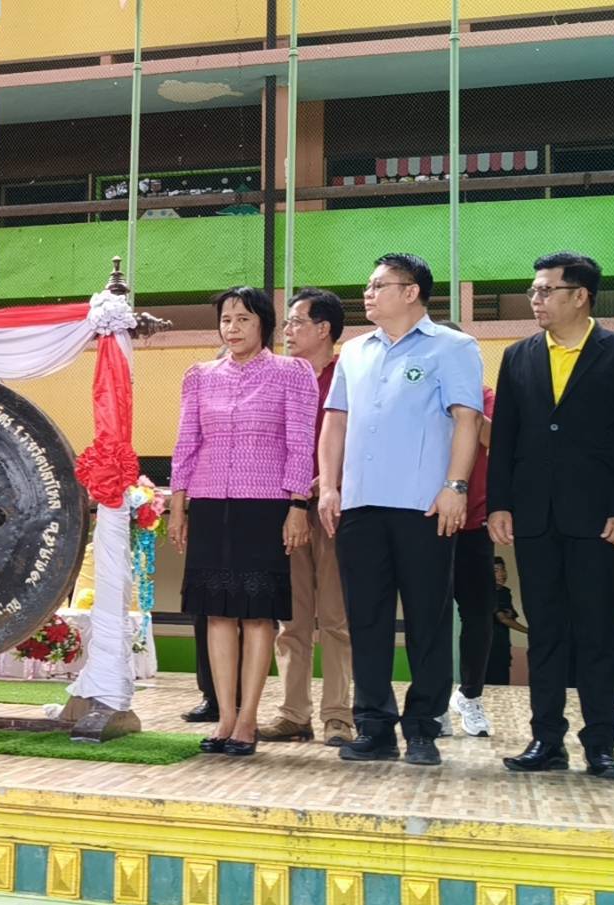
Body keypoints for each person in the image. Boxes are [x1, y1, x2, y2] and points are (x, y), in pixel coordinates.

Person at [488, 252, 614, 781]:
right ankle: (546, 740)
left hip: (598, 520)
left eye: (545, 291)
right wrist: (499, 504)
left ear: (580, 296)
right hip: (535, 518)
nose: (535, 300)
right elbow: (505, 437)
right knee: (545, 632)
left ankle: (600, 745)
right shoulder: (518, 356)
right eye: (533, 291)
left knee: (596, 632)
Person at [318, 253, 483, 767]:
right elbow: (335, 422)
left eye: (378, 285)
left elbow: (467, 419)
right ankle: (374, 727)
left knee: (428, 621)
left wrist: (455, 486)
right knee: (365, 620)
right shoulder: (354, 351)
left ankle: (423, 728)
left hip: (424, 507)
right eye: (367, 285)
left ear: (411, 292)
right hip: (360, 505)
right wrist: (329, 487)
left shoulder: (453, 347)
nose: (367, 294)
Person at [167, 287, 317, 757]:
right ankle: (225, 718)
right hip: (210, 502)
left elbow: (301, 443)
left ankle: (248, 720)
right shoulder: (199, 376)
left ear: (263, 324)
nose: (232, 328)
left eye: (243, 319)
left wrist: (298, 505)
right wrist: (178, 504)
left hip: (266, 504)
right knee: (216, 612)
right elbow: (186, 442)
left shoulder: (293, 373)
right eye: (226, 320)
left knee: (256, 615)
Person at [258, 288, 354, 748]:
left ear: (324, 329)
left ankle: (338, 716)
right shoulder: (278, 376)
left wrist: (329, 480)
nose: (288, 331)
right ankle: (293, 713)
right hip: (287, 511)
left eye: (297, 322)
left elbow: (363, 438)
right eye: (287, 323)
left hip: (337, 509)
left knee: (336, 618)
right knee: (291, 621)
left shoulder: (350, 375)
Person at [439, 373, 496, 739]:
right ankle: (434, 702)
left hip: (474, 521)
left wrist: (467, 411)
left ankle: (470, 695)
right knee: (432, 615)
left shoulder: (485, 396)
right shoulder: (422, 391)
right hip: (428, 521)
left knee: (479, 613)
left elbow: (496, 440)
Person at [489, 556, 523, 686]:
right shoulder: (487, 592)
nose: (502, 574)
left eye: (503, 569)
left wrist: (508, 615)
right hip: (488, 648)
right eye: (496, 570)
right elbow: (503, 619)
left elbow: (510, 615)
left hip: (502, 646)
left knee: (502, 682)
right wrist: (530, 631)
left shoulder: (505, 593)